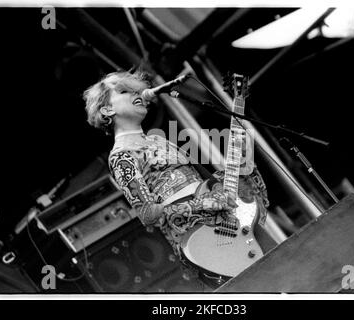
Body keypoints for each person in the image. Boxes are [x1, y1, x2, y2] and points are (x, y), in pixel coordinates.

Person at [83, 69, 271, 289]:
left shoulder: (158, 139)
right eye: (125, 91)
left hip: (229, 224)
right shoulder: (121, 156)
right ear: (107, 109)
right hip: (199, 238)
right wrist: (204, 203)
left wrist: (228, 179)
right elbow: (147, 213)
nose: (137, 94)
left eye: (137, 90)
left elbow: (204, 181)